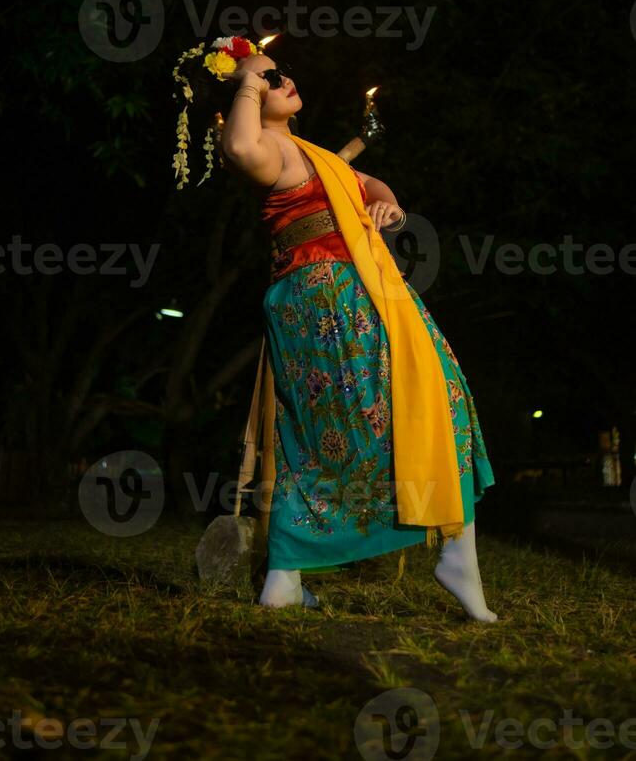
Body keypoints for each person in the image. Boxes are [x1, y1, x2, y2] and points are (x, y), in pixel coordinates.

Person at [172, 36, 498, 622]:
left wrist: (388, 206)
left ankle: (284, 578)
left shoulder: (306, 150)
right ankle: (454, 552)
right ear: (246, 91)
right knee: (404, 408)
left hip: (347, 293)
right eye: (271, 77)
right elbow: (241, 143)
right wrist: (248, 72)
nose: (284, 80)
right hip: (329, 299)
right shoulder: (266, 148)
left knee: (327, 430)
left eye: (282, 72)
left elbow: (367, 183)